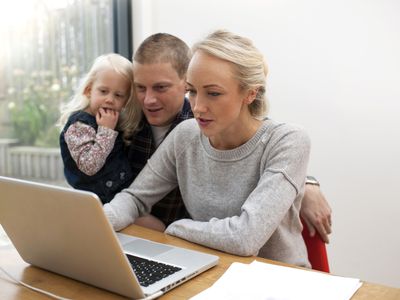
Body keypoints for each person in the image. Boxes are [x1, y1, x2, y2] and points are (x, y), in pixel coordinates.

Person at [104, 30, 312, 267]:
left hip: (281, 283)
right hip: (210, 272)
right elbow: (134, 198)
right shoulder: (186, 134)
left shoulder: (288, 140)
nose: (198, 107)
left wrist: (177, 228)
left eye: (213, 93)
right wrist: (95, 221)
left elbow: (245, 238)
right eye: (192, 91)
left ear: (250, 93)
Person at [58, 53, 142, 204]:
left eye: (118, 95)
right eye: (103, 91)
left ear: (126, 101)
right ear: (89, 90)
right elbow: (89, 165)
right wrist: (106, 131)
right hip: (97, 201)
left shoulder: (114, 119)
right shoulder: (79, 125)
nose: (110, 99)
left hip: (122, 195)